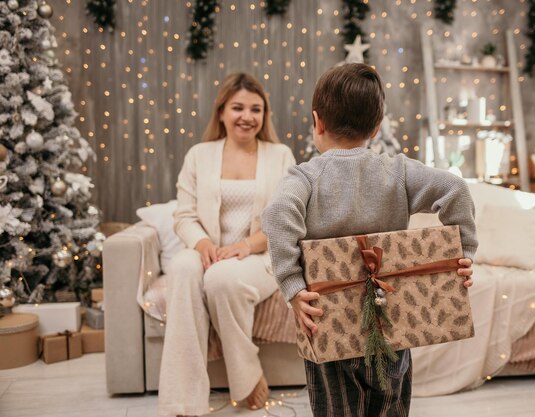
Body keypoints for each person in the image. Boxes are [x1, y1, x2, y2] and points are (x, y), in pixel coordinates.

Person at [262, 63, 478, 416]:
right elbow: (456, 188)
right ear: (377, 127)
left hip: (329, 320)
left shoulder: (306, 177)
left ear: (317, 122)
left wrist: (293, 286)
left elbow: (276, 214)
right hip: (391, 316)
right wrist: (462, 254)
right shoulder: (398, 171)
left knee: (336, 408)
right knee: (390, 403)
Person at [158, 72, 296, 417]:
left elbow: (287, 221)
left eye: (256, 109)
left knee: (221, 279)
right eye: (238, 108)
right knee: (182, 268)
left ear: (264, 116)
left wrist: (248, 245)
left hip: (260, 256)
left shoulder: (280, 155)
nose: (247, 117)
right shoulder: (199, 155)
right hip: (208, 250)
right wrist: (202, 244)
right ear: (221, 112)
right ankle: (182, 402)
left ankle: (246, 375)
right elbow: (184, 215)